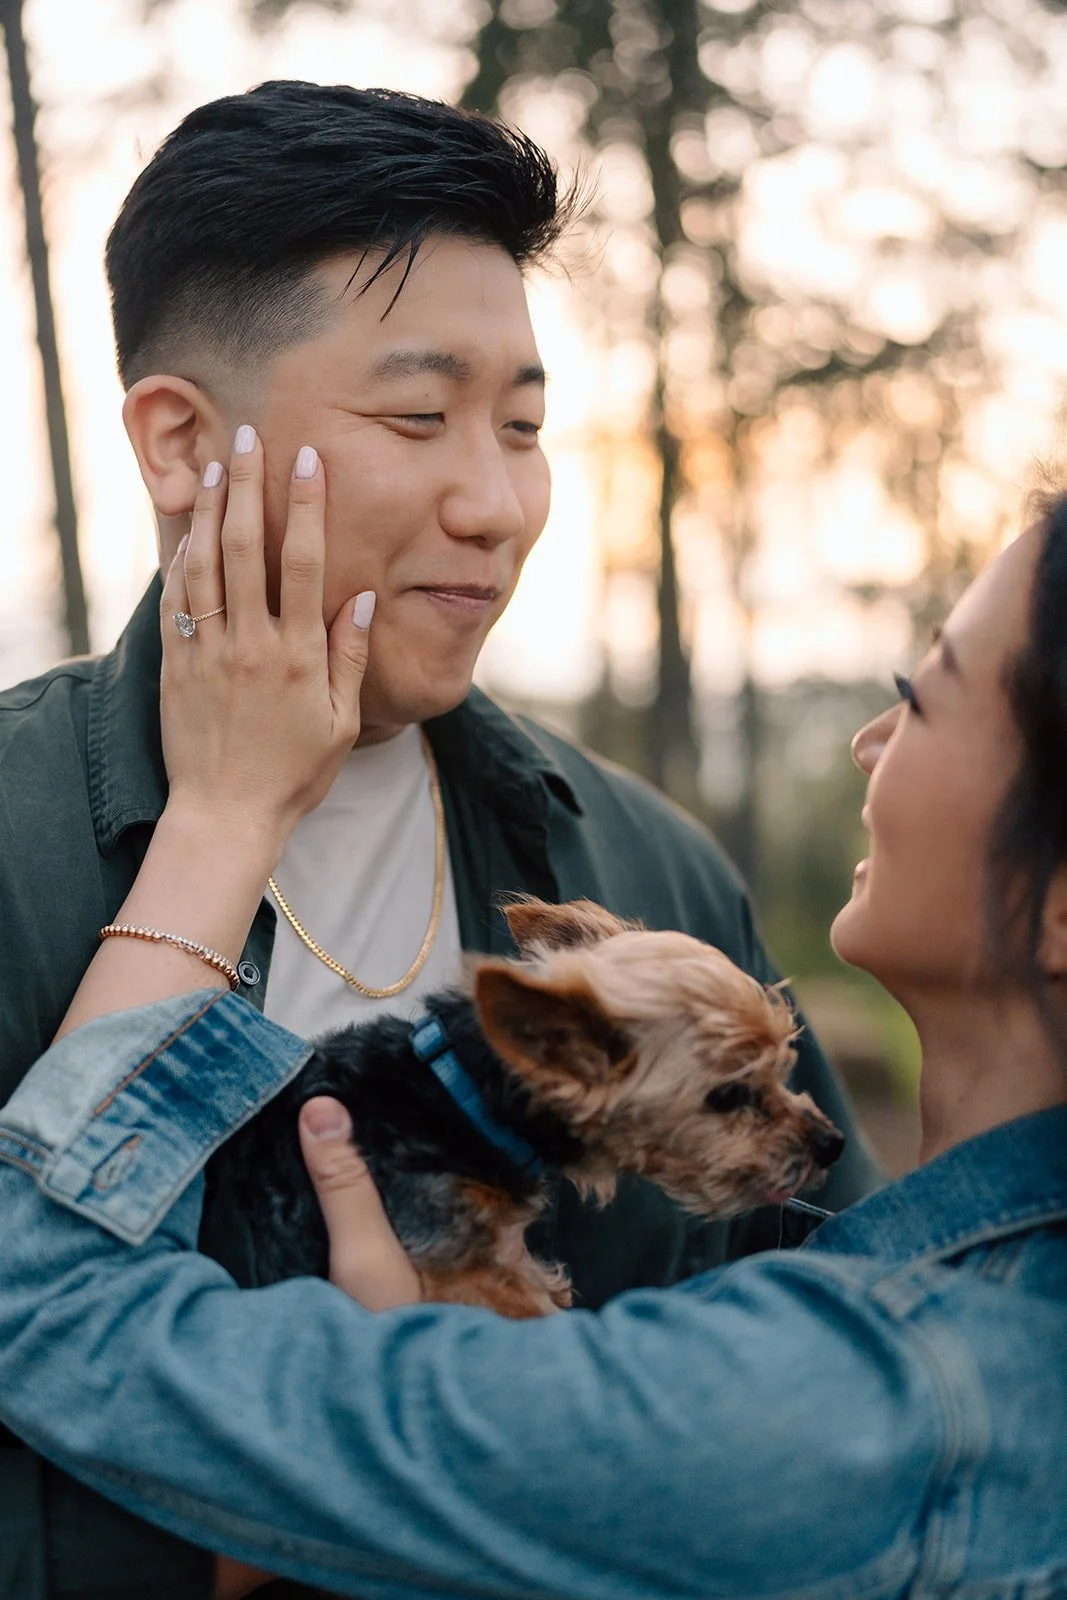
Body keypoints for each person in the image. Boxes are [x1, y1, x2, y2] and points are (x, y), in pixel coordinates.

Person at [0, 80, 878, 1599]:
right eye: (419, 417)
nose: (500, 500)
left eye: (525, 427)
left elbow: (843, 1388)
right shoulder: (19, 844)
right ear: (176, 443)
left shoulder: (643, 874)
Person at [1, 460, 1066, 1600]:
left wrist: (224, 817)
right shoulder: (948, 1305)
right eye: (421, 425)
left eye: (921, 693)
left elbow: (40, 1291)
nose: (864, 739)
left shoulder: (837, 1406)